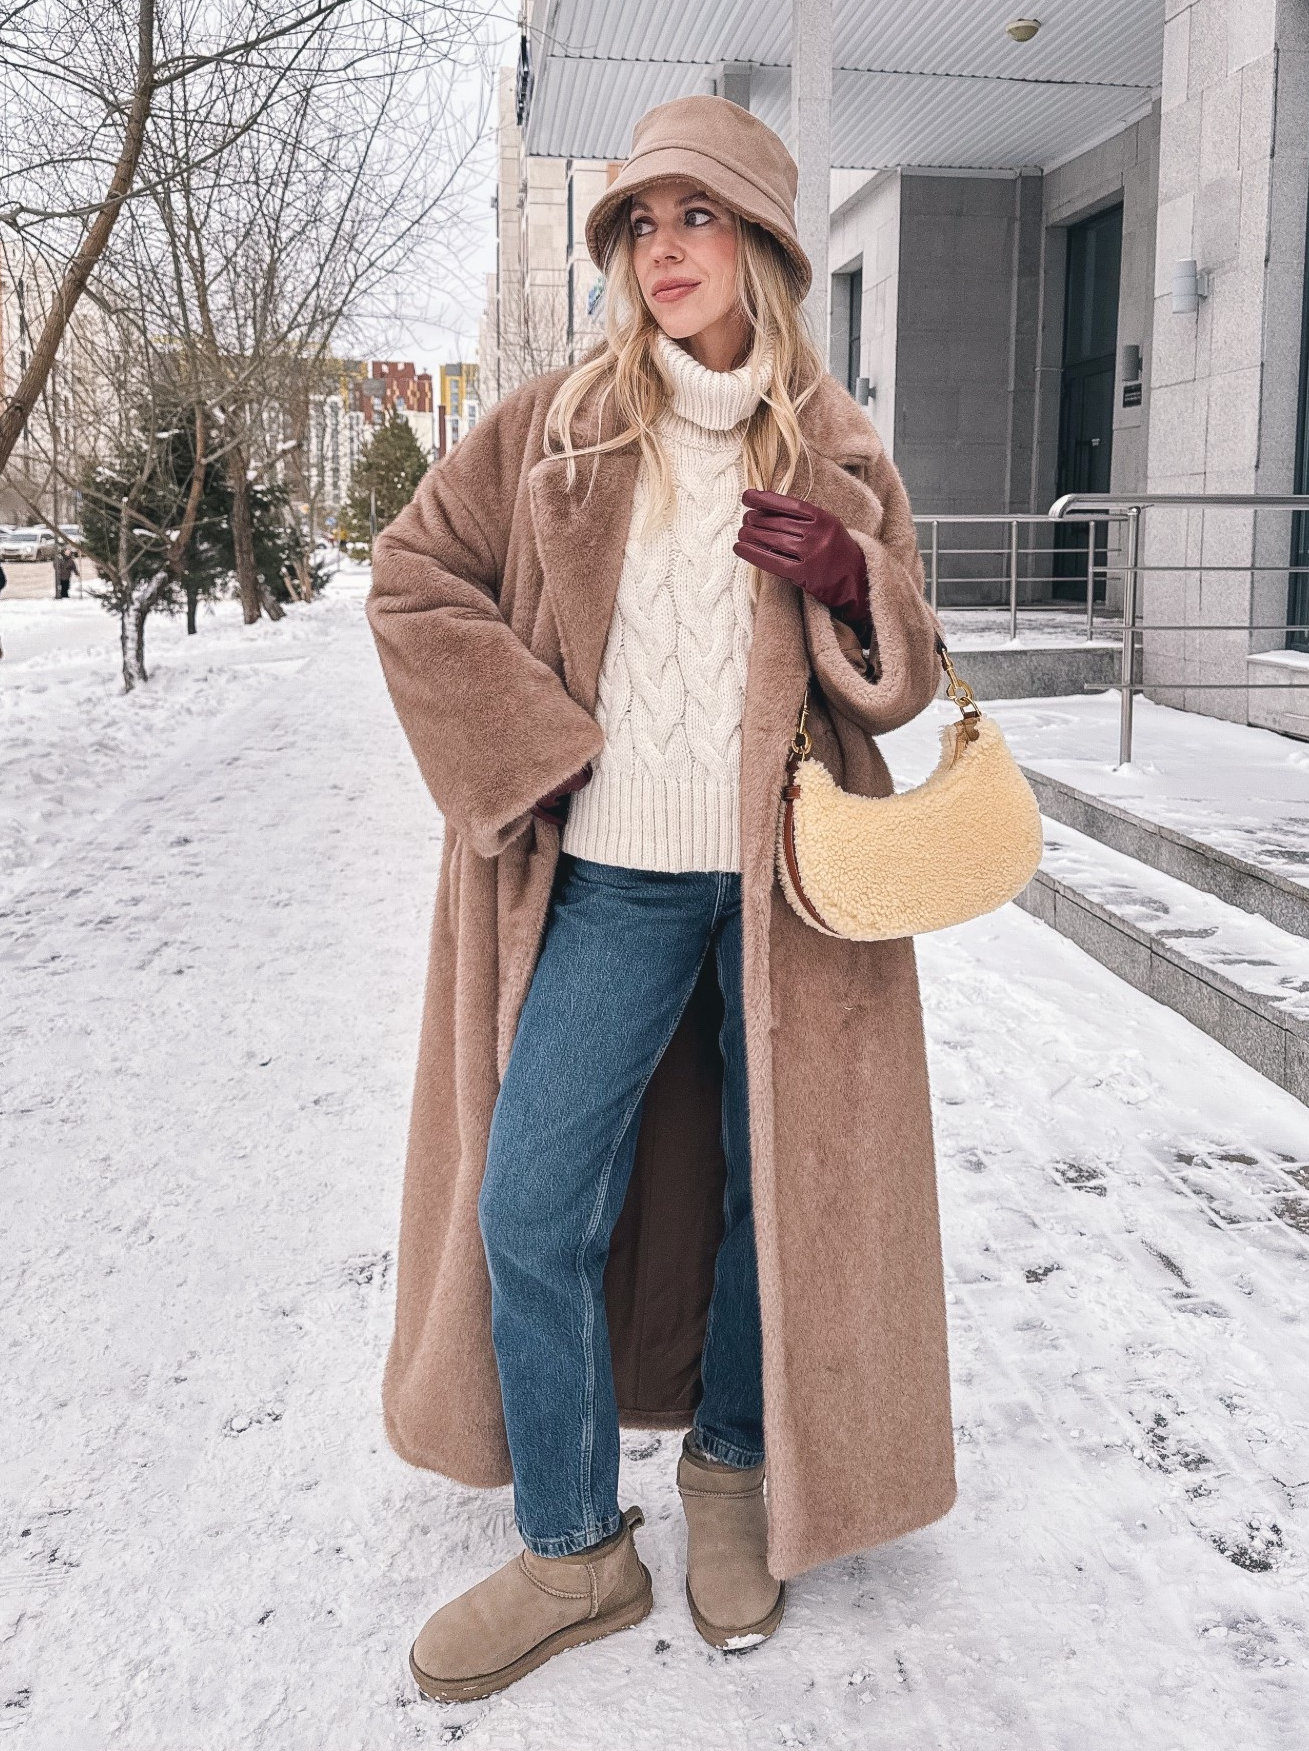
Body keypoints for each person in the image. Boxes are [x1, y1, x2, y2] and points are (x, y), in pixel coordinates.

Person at [368, 97, 955, 1705]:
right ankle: (573, 1548)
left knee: (788, 1196)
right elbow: (412, 579)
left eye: (698, 219)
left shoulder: (837, 448)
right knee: (528, 1207)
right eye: (642, 224)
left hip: (793, 886)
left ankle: (732, 1474)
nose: (666, 250)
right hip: (612, 883)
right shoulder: (557, 426)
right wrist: (533, 749)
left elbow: (912, 676)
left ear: (764, 243)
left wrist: (854, 583)